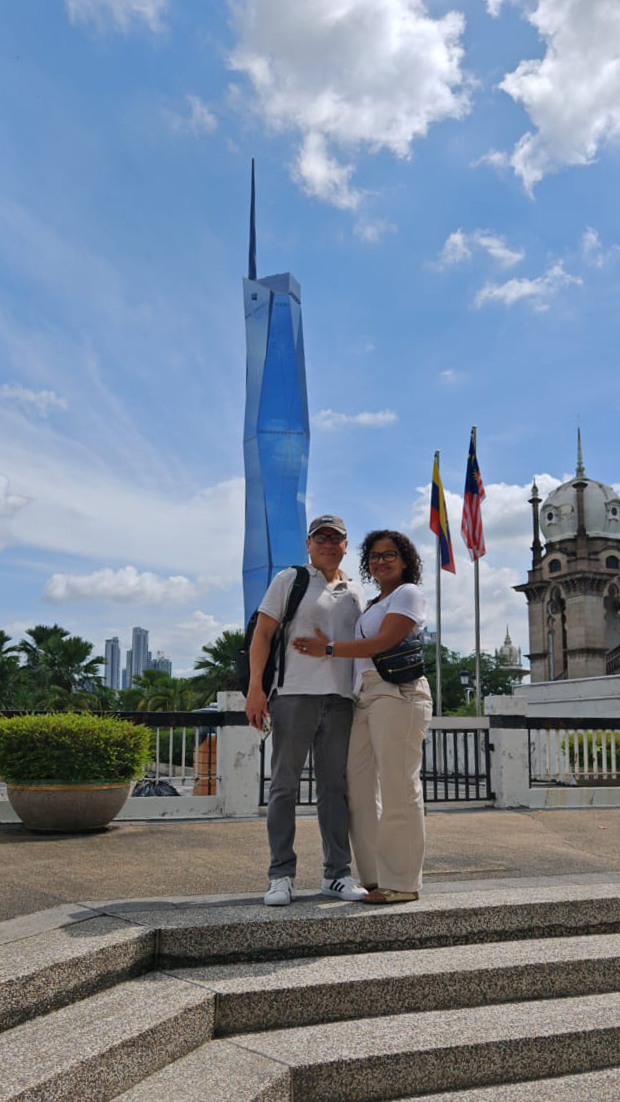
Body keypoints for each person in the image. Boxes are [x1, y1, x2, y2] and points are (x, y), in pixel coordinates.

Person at [292, 529, 432, 905]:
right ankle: (374, 877)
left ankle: (401, 882)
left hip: (397, 694)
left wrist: (329, 648)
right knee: (357, 787)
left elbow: (384, 642)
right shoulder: (373, 602)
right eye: (374, 556)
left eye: (389, 555)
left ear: (405, 560)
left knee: (399, 787)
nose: (381, 561)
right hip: (367, 697)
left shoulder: (408, 594)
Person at [245, 514, 368, 906]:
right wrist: (255, 689)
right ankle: (281, 874)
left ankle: (336, 874)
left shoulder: (355, 591)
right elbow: (262, 634)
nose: (329, 545)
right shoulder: (291, 580)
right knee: (284, 786)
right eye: (321, 538)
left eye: (337, 539)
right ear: (309, 544)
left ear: (346, 546)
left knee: (335, 789)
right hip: (294, 694)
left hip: (340, 700)